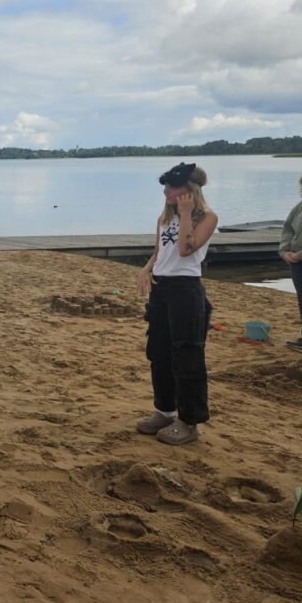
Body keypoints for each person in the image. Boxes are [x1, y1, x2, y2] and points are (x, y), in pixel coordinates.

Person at [136, 163, 218, 446]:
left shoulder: (207, 217)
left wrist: (185, 214)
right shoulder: (163, 218)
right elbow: (160, 250)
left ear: (189, 189)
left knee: (187, 355)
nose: (166, 191)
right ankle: (164, 411)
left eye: (172, 187)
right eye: (166, 187)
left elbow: (185, 249)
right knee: (159, 352)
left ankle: (189, 421)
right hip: (161, 289)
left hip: (186, 290)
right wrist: (147, 268)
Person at [279, 169, 302, 351]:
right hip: (296, 261)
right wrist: (284, 251)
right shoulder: (300, 207)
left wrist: (301, 254)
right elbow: (287, 229)